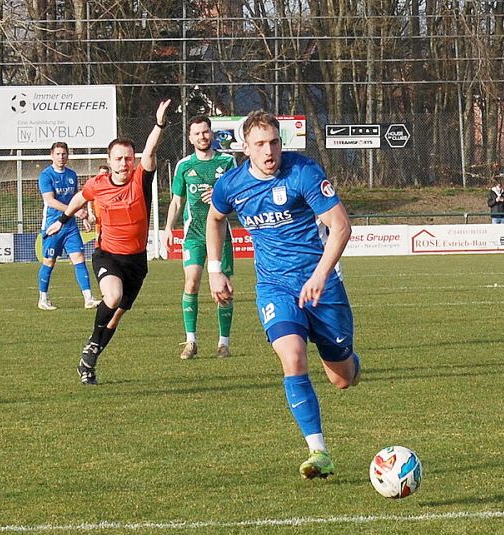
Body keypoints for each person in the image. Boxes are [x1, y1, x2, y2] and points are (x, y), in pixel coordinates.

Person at [206, 110, 361, 480]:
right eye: (259, 144)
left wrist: (321, 275)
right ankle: (318, 451)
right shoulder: (231, 185)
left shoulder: (303, 173)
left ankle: (349, 361)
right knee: (292, 358)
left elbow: (341, 227)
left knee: (342, 377)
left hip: (322, 287)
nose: (269, 150)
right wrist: (216, 271)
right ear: (245, 148)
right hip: (275, 288)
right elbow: (214, 219)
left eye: (274, 142)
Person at [45, 99, 172, 384]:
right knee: (111, 298)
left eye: (129, 158)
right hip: (108, 255)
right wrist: (62, 219)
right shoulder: (98, 184)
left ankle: (88, 362)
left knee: (114, 319)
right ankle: (92, 342)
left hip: (137, 262)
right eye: (119, 158)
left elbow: (150, 150)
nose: (125, 163)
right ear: (110, 160)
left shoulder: (141, 180)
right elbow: (79, 198)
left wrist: (159, 123)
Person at [163, 115, 237, 360]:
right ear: (190, 137)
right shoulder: (184, 165)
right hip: (193, 234)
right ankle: (191, 341)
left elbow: (238, 196)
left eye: (205, 132)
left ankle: (223, 343)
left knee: (223, 290)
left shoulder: (227, 162)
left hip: (221, 234)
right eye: (197, 133)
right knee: (191, 283)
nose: (202, 137)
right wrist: (167, 229)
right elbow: (177, 201)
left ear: (211, 134)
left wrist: (219, 195)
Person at [36, 142, 100, 311]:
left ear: (68, 155)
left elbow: (76, 199)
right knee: (49, 261)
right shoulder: (45, 176)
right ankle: (43, 298)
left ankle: (88, 298)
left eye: (64, 154)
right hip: (53, 225)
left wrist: (83, 216)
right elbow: (50, 201)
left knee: (79, 259)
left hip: (70, 226)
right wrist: (74, 212)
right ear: (52, 155)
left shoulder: (72, 174)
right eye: (58, 154)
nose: (61, 157)